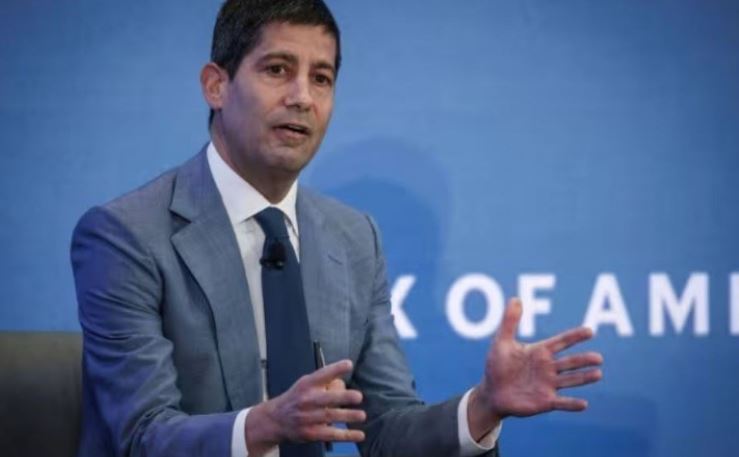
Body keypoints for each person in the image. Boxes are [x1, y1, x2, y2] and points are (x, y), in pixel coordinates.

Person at [71, 1, 604, 456]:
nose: (302, 96)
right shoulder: (127, 235)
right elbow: (142, 436)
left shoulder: (353, 239)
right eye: (277, 69)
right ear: (217, 85)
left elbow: (387, 430)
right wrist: (266, 423)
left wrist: (483, 406)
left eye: (321, 78)